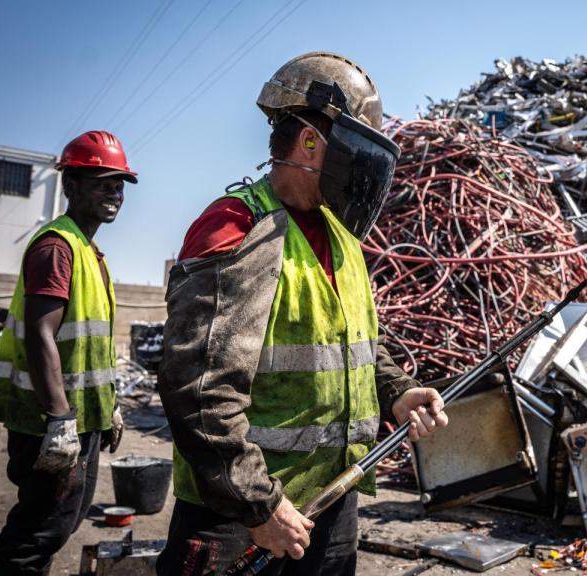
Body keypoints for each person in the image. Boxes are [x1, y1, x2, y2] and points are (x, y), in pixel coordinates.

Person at [156, 52, 449, 576]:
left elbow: (352, 342)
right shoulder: (238, 229)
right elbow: (198, 392)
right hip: (238, 517)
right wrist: (259, 506)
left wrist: (397, 391)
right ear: (312, 142)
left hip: (334, 499)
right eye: (354, 147)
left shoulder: (343, 237)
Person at [0, 130, 136, 575]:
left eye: (119, 183)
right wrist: (60, 419)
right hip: (55, 423)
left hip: (80, 420)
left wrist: (109, 408)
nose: (114, 192)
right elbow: (40, 335)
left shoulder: (89, 251)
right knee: (36, 535)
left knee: (57, 526)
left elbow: (90, 349)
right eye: (101, 182)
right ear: (70, 185)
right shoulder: (57, 247)